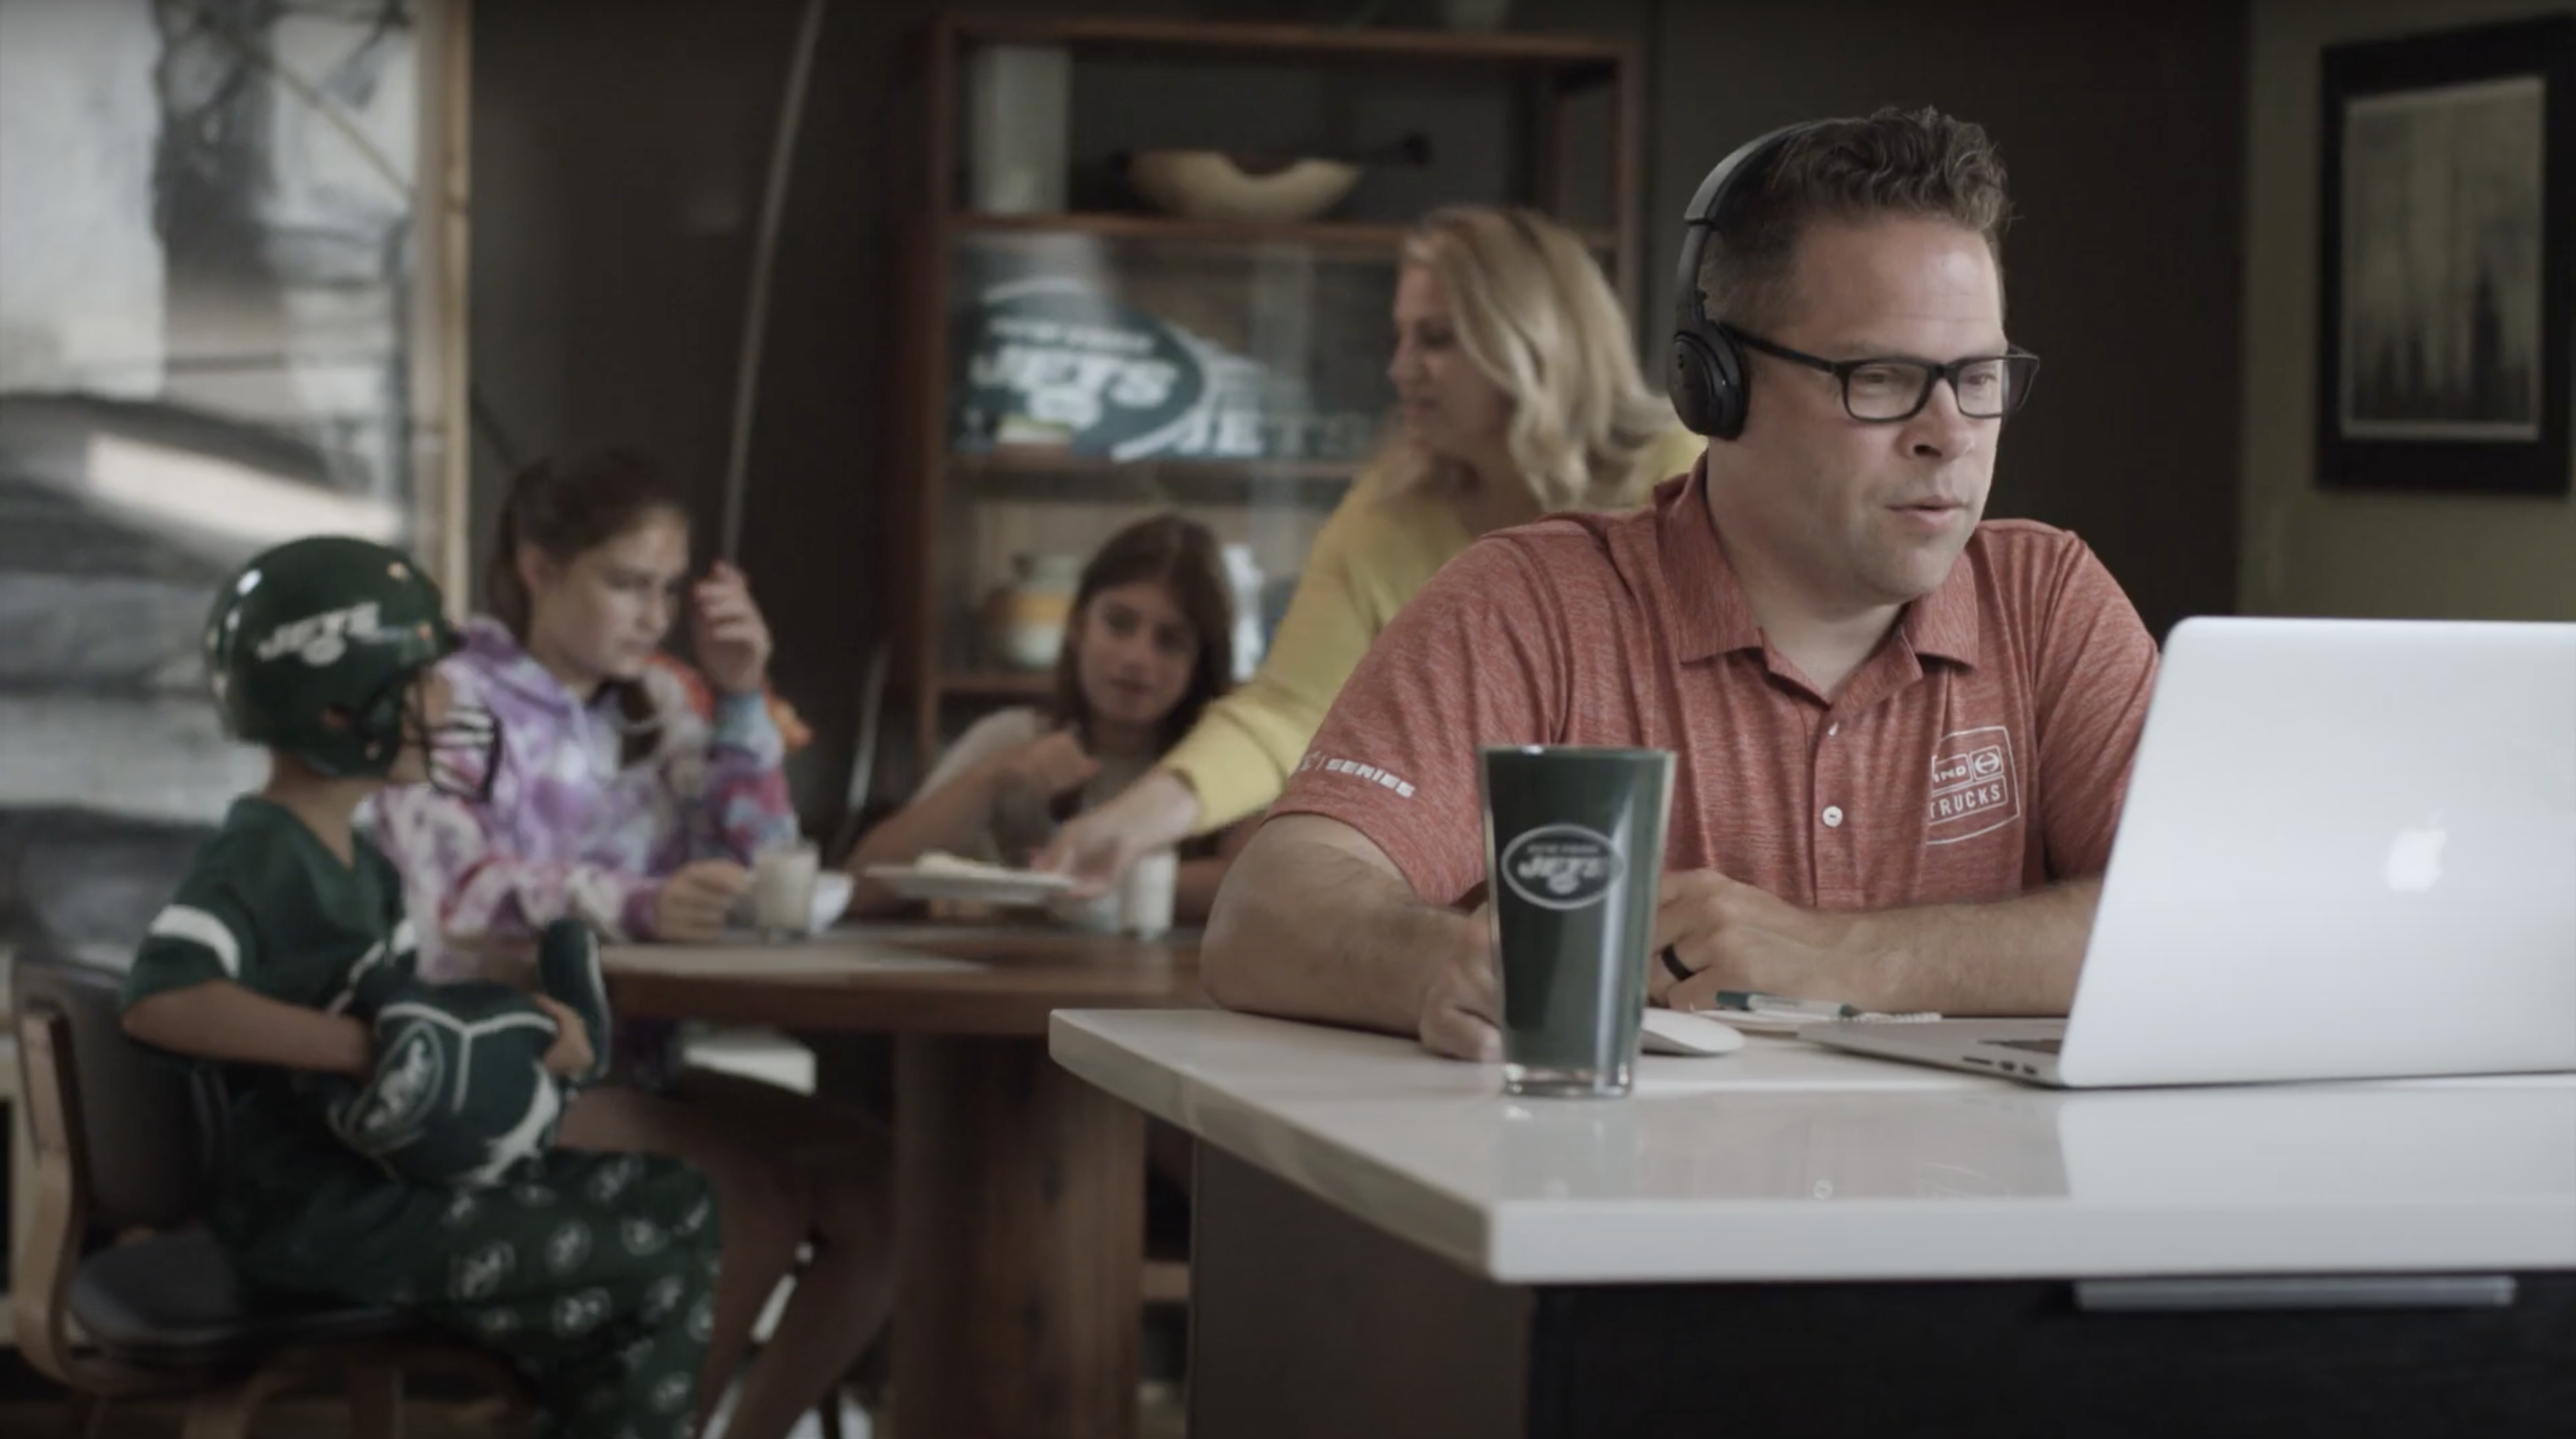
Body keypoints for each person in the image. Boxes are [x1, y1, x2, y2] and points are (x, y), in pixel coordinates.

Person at [1200, 109, 2162, 1060]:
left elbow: (2201, 921)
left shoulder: (2048, 601)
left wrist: (1850, 957)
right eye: (1881, 377)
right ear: (1716, 384)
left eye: (1979, 377)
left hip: (1975, 1209)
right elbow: (1266, 912)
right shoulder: (1529, 605)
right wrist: (1433, 964)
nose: (1949, 432)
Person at [123, 537, 717, 1439]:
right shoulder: (264, 852)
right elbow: (162, 997)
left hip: (376, 1188)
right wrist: (368, 1050)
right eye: (424, 683)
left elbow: (407, 1016)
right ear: (335, 711)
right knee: (652, 1272)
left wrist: (521, 1029)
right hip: (319, 1221)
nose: (450, 703)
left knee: (683, 1198)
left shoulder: (361, 860)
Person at [367, 447, 888, 1439]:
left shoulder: (659, 703)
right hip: (492, 1071)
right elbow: (460, 900)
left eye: (667, 589)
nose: (654, 615)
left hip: (637, 1067)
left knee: (884, 1184)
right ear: (537, 566)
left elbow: (765, 863)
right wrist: (638, 901)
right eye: (626, 582)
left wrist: (740, 696)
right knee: (749, 1193)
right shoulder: (451, 699)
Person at [1033, 205, 1703, 893]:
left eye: (1436, 339)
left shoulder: (1682, 473)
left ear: (1534, 343)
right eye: (1401, 337)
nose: (1400, 368)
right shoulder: (1392, 509)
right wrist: (1129, 824)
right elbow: (1289, 710)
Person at [844, 512, 1248, 921]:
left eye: (1170, 641)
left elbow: (1256, 887)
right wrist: (994, 775)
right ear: (1077, 626)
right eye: (1118, 624)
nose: (1137, 658)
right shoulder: (1016, 737)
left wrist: (1097, 876)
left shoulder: (1229, 758)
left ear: (1201, 662)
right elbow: (861, 886)